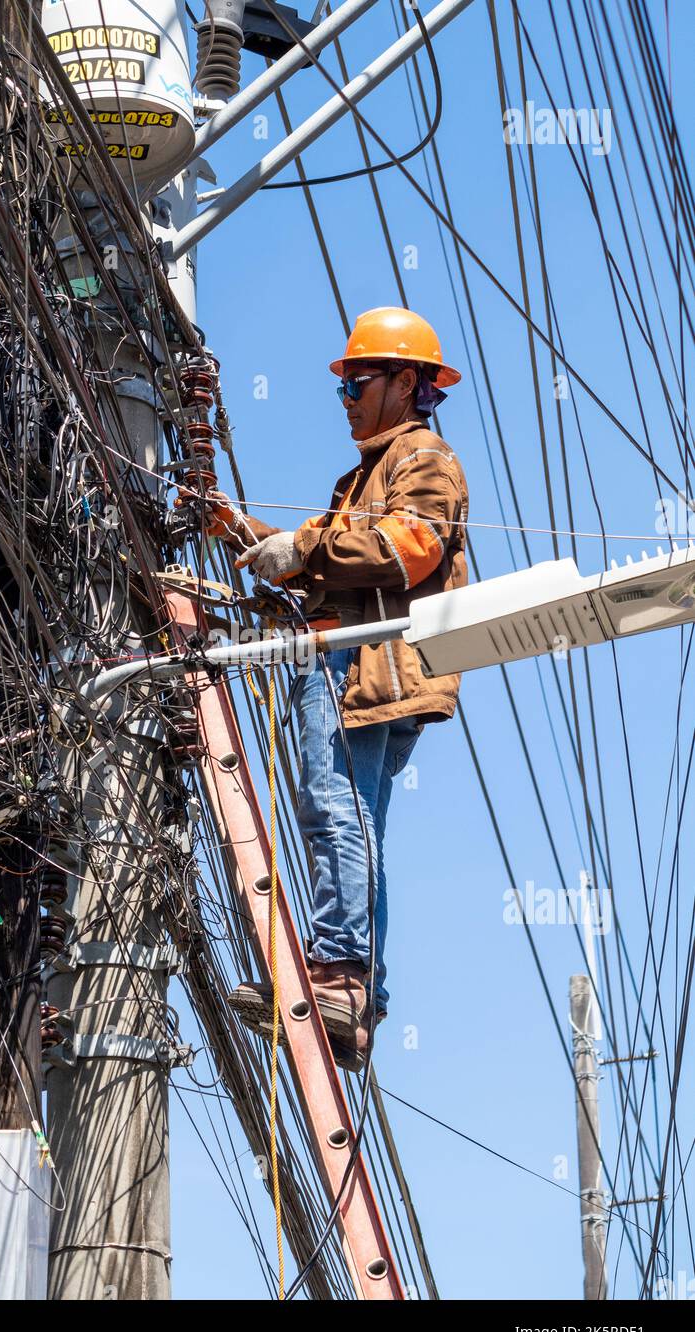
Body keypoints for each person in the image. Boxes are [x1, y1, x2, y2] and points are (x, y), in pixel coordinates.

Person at [191, 307, 469, 1070]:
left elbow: (404, 549)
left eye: (358, 381)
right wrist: (244, 533)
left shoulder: (424, 459)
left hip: (366, 667)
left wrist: (301, 547)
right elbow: (325, 554)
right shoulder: (363, 477)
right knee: (346, 811)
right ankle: (354, 993)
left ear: (407, 382)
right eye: (343, 385)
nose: (345, 397)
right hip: (348, 659)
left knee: (333, 806)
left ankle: (341, 972)